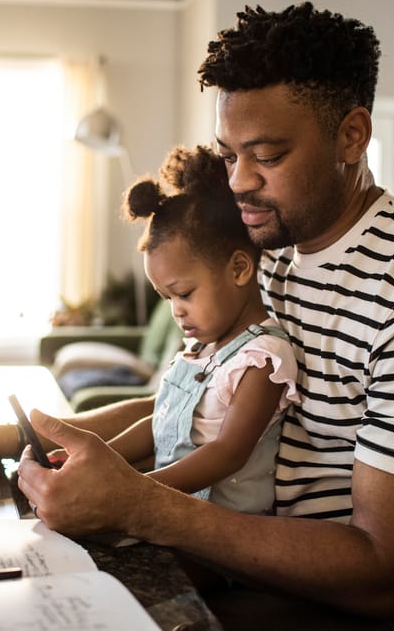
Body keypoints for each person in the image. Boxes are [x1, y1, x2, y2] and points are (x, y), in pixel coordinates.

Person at [0, 2, 394, 630]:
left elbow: (380, 574)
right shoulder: (276, 251)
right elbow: (195, 402)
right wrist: (12, 439)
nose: (237, 182)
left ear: (352, 134)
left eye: (266, 156)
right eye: (230, 155)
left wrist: (140, 502)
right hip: (264, 567)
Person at [86, 144, 300, 514]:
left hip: (222, 533)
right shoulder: (201, 349)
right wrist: (95, 459)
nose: (176, 312)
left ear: (238, 269)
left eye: (183, 293)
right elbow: (159, 423)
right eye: (166, 298)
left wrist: (131, 490)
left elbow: (227, 454)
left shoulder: (263, 358)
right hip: (170, 512)